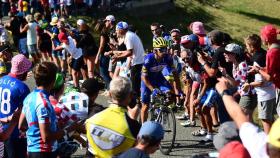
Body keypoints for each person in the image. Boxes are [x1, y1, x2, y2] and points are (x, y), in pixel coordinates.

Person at [19, 62, 77, 158]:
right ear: (53, 80)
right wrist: (70, 128)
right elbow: (46, 137)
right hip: (44, 152)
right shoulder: (44, 103)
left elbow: (21, 125)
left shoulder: (29, 97)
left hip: (31, 150)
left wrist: (35, 129)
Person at [215, 77, 280, 158]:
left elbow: (238, 114)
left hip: (256, 95)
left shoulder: (258, 145)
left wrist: (224, 91)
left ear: (267, 147)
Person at [86, 77, 141, 157]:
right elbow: (137, 152)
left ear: (110, 94)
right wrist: (132, 120)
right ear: (130, 96)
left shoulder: (92, 117)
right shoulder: (134, 126)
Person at [140, 37, 182, 123]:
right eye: (162, 49)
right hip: (147, 80)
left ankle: (160, 109)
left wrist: (179, 90)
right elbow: (143, 77)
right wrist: (153, 89)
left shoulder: (168, 58)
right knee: (145, 105)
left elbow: (175, 75)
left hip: (158, 78)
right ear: (155, 51)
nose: (165, 51)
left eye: (165, 49)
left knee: (169, 94)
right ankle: (142, 127)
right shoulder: (148, 59)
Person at [111, 21, 145, 119]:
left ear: (121, 29)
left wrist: (117, 57)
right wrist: (115, 53)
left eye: (117, 30)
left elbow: (129, 53)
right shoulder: (129, 35)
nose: (116, 32)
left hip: (137, 64)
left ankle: (134, 113)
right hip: (138, 62)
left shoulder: (128, 36)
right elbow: (127, 51)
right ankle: (135, 107)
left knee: (134, 90)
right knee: (134, 87)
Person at [0, 54, 32, 158]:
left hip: (2, 127)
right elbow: (25, 113)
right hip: (14, 132)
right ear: (23, 72)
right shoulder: (22, 88)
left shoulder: (1, 79)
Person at [244, 34, 276, 134]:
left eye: (247, 46)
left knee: (265, 119)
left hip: (264, 94)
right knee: (271, 119)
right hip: (272, 91)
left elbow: (260, 82)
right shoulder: (264, 53)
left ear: (252, 47)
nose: (246, 48)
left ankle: (269, 145)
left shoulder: (256, 60)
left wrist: (248, 85)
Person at [249, 24, 280, 117]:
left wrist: (258, 70)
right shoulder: (278, 45)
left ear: (266, 39)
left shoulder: (271, 53)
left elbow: (269, 78)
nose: (261, 38)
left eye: (262, 36)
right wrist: (261, 69)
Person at [222, 43, 257, 121]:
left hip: (248, 95)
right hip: (245, 94)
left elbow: (237, 83)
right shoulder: (235, 64)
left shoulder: (242, 65)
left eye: (227, 53)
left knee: (244, 120)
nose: (224, 54)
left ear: (234, 54)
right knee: (246, 121)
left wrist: (226, 75)